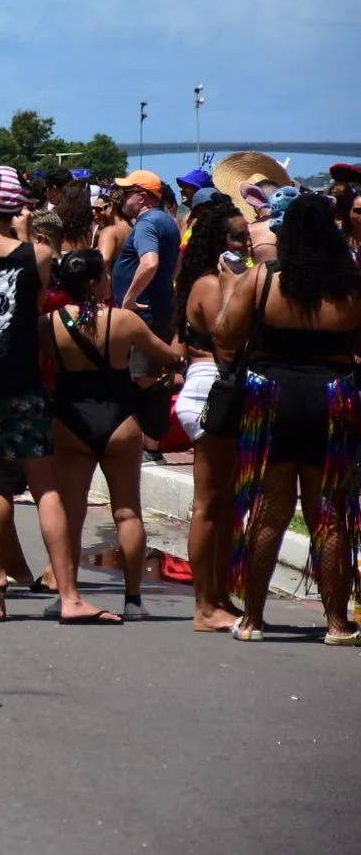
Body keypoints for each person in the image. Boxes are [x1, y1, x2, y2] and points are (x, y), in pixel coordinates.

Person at [0, 166, 120, 624]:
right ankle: (70, 596)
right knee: (45, 486)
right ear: (17, 208)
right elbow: (32, 307)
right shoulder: (38, 255)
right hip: (22, 383)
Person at [218, 195, 361, 644]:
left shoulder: (264, 280)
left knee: (269, 510)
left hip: (272, 399)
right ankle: (337, 623)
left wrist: (228, 289)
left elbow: (225, 333)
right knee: (329, 514)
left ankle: (254, 620)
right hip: (333, 399)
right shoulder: (353, 285)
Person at [41, 250, 181, 620]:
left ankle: (67, 593)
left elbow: (33, 368)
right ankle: (133, 600)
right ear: (93, 282)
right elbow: (168, 357)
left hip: (70, 420)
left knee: (72, 513)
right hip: (120, 421)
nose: (109, 279)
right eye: (104, 274)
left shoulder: (48, 324)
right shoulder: (125, 321)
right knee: (127, 511)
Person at [171, 196, 250, 631]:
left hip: (221, 389)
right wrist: (234, 288)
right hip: (209, 390)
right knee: (209, 503)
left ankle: (219, 595)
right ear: (218, 241)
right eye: (238, 237)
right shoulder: (209, 284)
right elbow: (227, 343)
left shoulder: (222, 279)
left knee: (225, 505)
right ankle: (204, 606)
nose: (247, 245)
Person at [111, 170, 182, 461]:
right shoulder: (167, 221)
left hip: (144, 314)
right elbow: (176, 263)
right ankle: (149, 443)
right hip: (158, 307)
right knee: (147, 375)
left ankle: (150, 447)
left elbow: (149, 263)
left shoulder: (147, 222)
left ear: (143, 196)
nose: (123, 198)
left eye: (128, 192)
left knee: (143, 377)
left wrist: (129, 299)